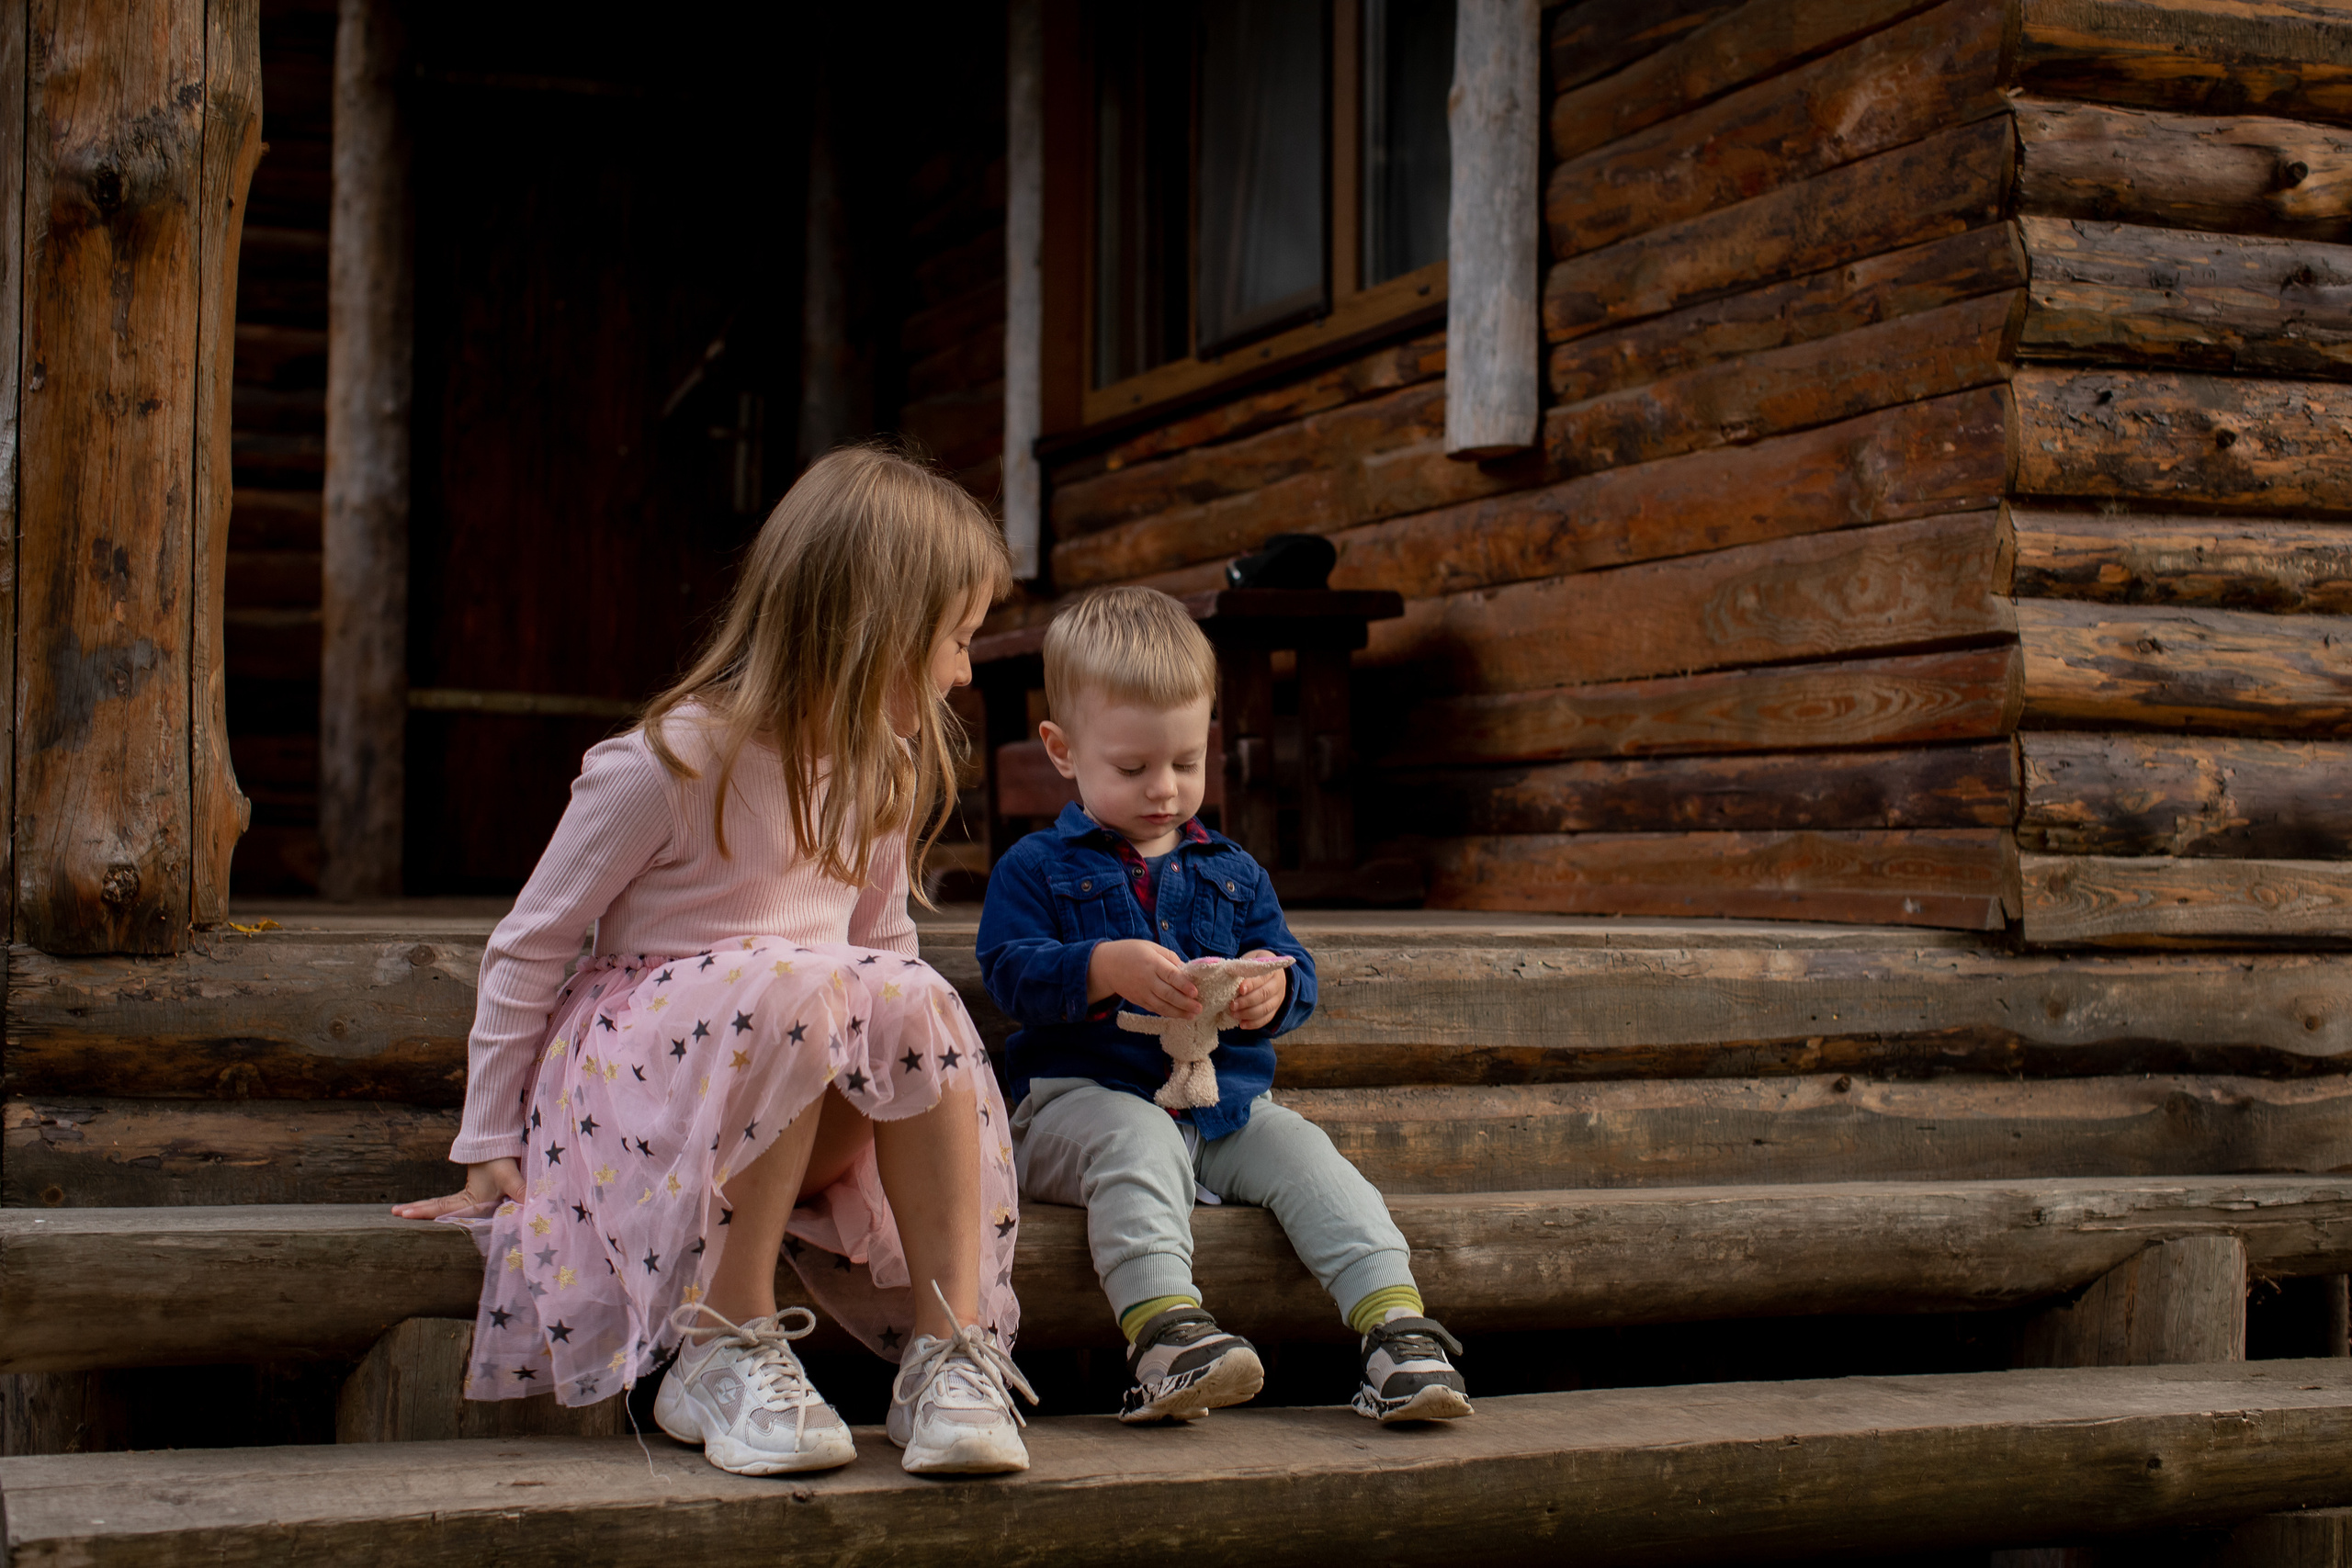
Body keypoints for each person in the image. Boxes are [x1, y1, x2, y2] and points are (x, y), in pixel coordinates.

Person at [393, 444, 1035, 1478]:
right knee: (788, 984)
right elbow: (530, 947)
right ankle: (717, 1342)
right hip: (649, 1105)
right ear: (872, 629)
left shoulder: (880, 769)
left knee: (896, 990)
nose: (966, 668)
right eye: (953, 639)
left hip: (805, 1095)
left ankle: (947, 1350)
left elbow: (883, 958)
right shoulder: (669, 761)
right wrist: (486, 1136)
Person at [976, 586, 1472, 1426]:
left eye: (1185, 761)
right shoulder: (1037, 866)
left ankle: (1397, 1328)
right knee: (1137, 1142)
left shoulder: (1233, 870)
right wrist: (1100, 965)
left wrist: (1272, 992)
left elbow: (1293, 967)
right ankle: (1165, 1335)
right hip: (1079, 1109)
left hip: (1223, 1109)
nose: (1164, 788)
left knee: (1310, 1155)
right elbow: (1008, 972)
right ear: (1062, 749)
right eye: (1132, 768)